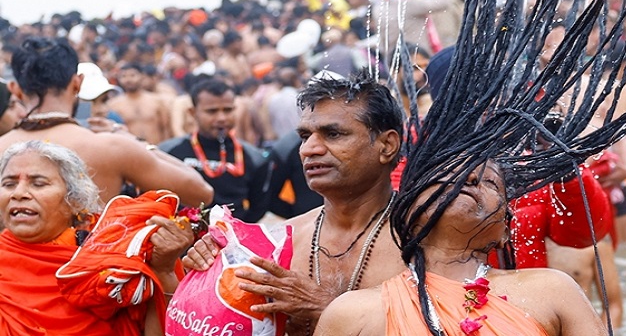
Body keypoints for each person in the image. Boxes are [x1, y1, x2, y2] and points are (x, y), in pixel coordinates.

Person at [184, 71, 405, 336]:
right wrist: (191, 278)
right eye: (304, 136)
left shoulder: (424, 237)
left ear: (387, 145)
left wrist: (328, 309)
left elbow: (449, 323)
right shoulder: (279, 241)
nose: (309, 149)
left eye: (333, 134)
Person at [315, 159, 607, 335]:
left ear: (505, 230)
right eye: (446, 174)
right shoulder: (351, 314)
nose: (468, 179)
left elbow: (587, 228)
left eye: (489, 182)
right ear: (407, 210)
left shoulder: (553, 290)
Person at [0, 140, 194, 335]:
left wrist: (163, 271)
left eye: (38, 183)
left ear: (74, 201)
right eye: (9, 184)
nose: (18, 193)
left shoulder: (122, 254)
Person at [0, 37, 213, 206]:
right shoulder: (111, 147)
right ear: (77, 84)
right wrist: (134, 141)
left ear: (15, 89)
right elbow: (201, 192)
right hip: (92, 260)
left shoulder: (3, 149)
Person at [159, 78, 276, 223]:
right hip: (183, 239)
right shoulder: (169, 153)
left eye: (228, 110)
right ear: (193, 112)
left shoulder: (255, 158)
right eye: (212, 111)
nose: (221, 118)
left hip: (232, 239)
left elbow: (259, 206)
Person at [108, 62, 174, 144]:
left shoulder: (157, 101)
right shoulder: (114, 105)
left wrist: (165, 148)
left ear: (142, 76)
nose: (128, 80)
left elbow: (166, 128)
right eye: (123, 76)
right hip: (131, 151)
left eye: (132, 75)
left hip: (157, 148)